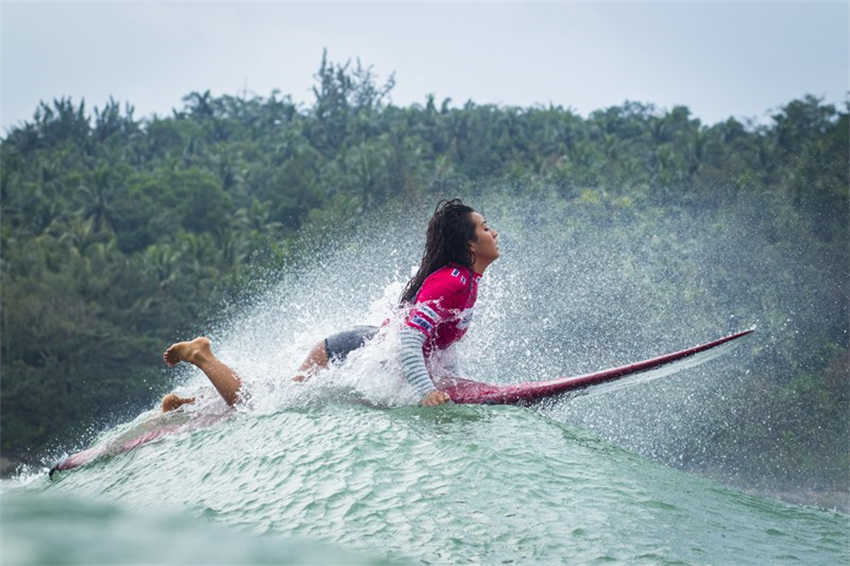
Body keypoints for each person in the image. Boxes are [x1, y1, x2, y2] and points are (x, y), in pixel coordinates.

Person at [161, 198, 499, 410]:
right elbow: (410, 340)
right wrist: (427, 391)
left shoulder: (468, 281)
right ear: (470, 244)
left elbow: (441, 346)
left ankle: (190, 405)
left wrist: (456, 381)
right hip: (348, 350)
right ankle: (202, 355)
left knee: (277, 395)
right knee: (261, 407)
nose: (493, 233)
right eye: (485, 228)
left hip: (361, 344)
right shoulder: (453, 281)